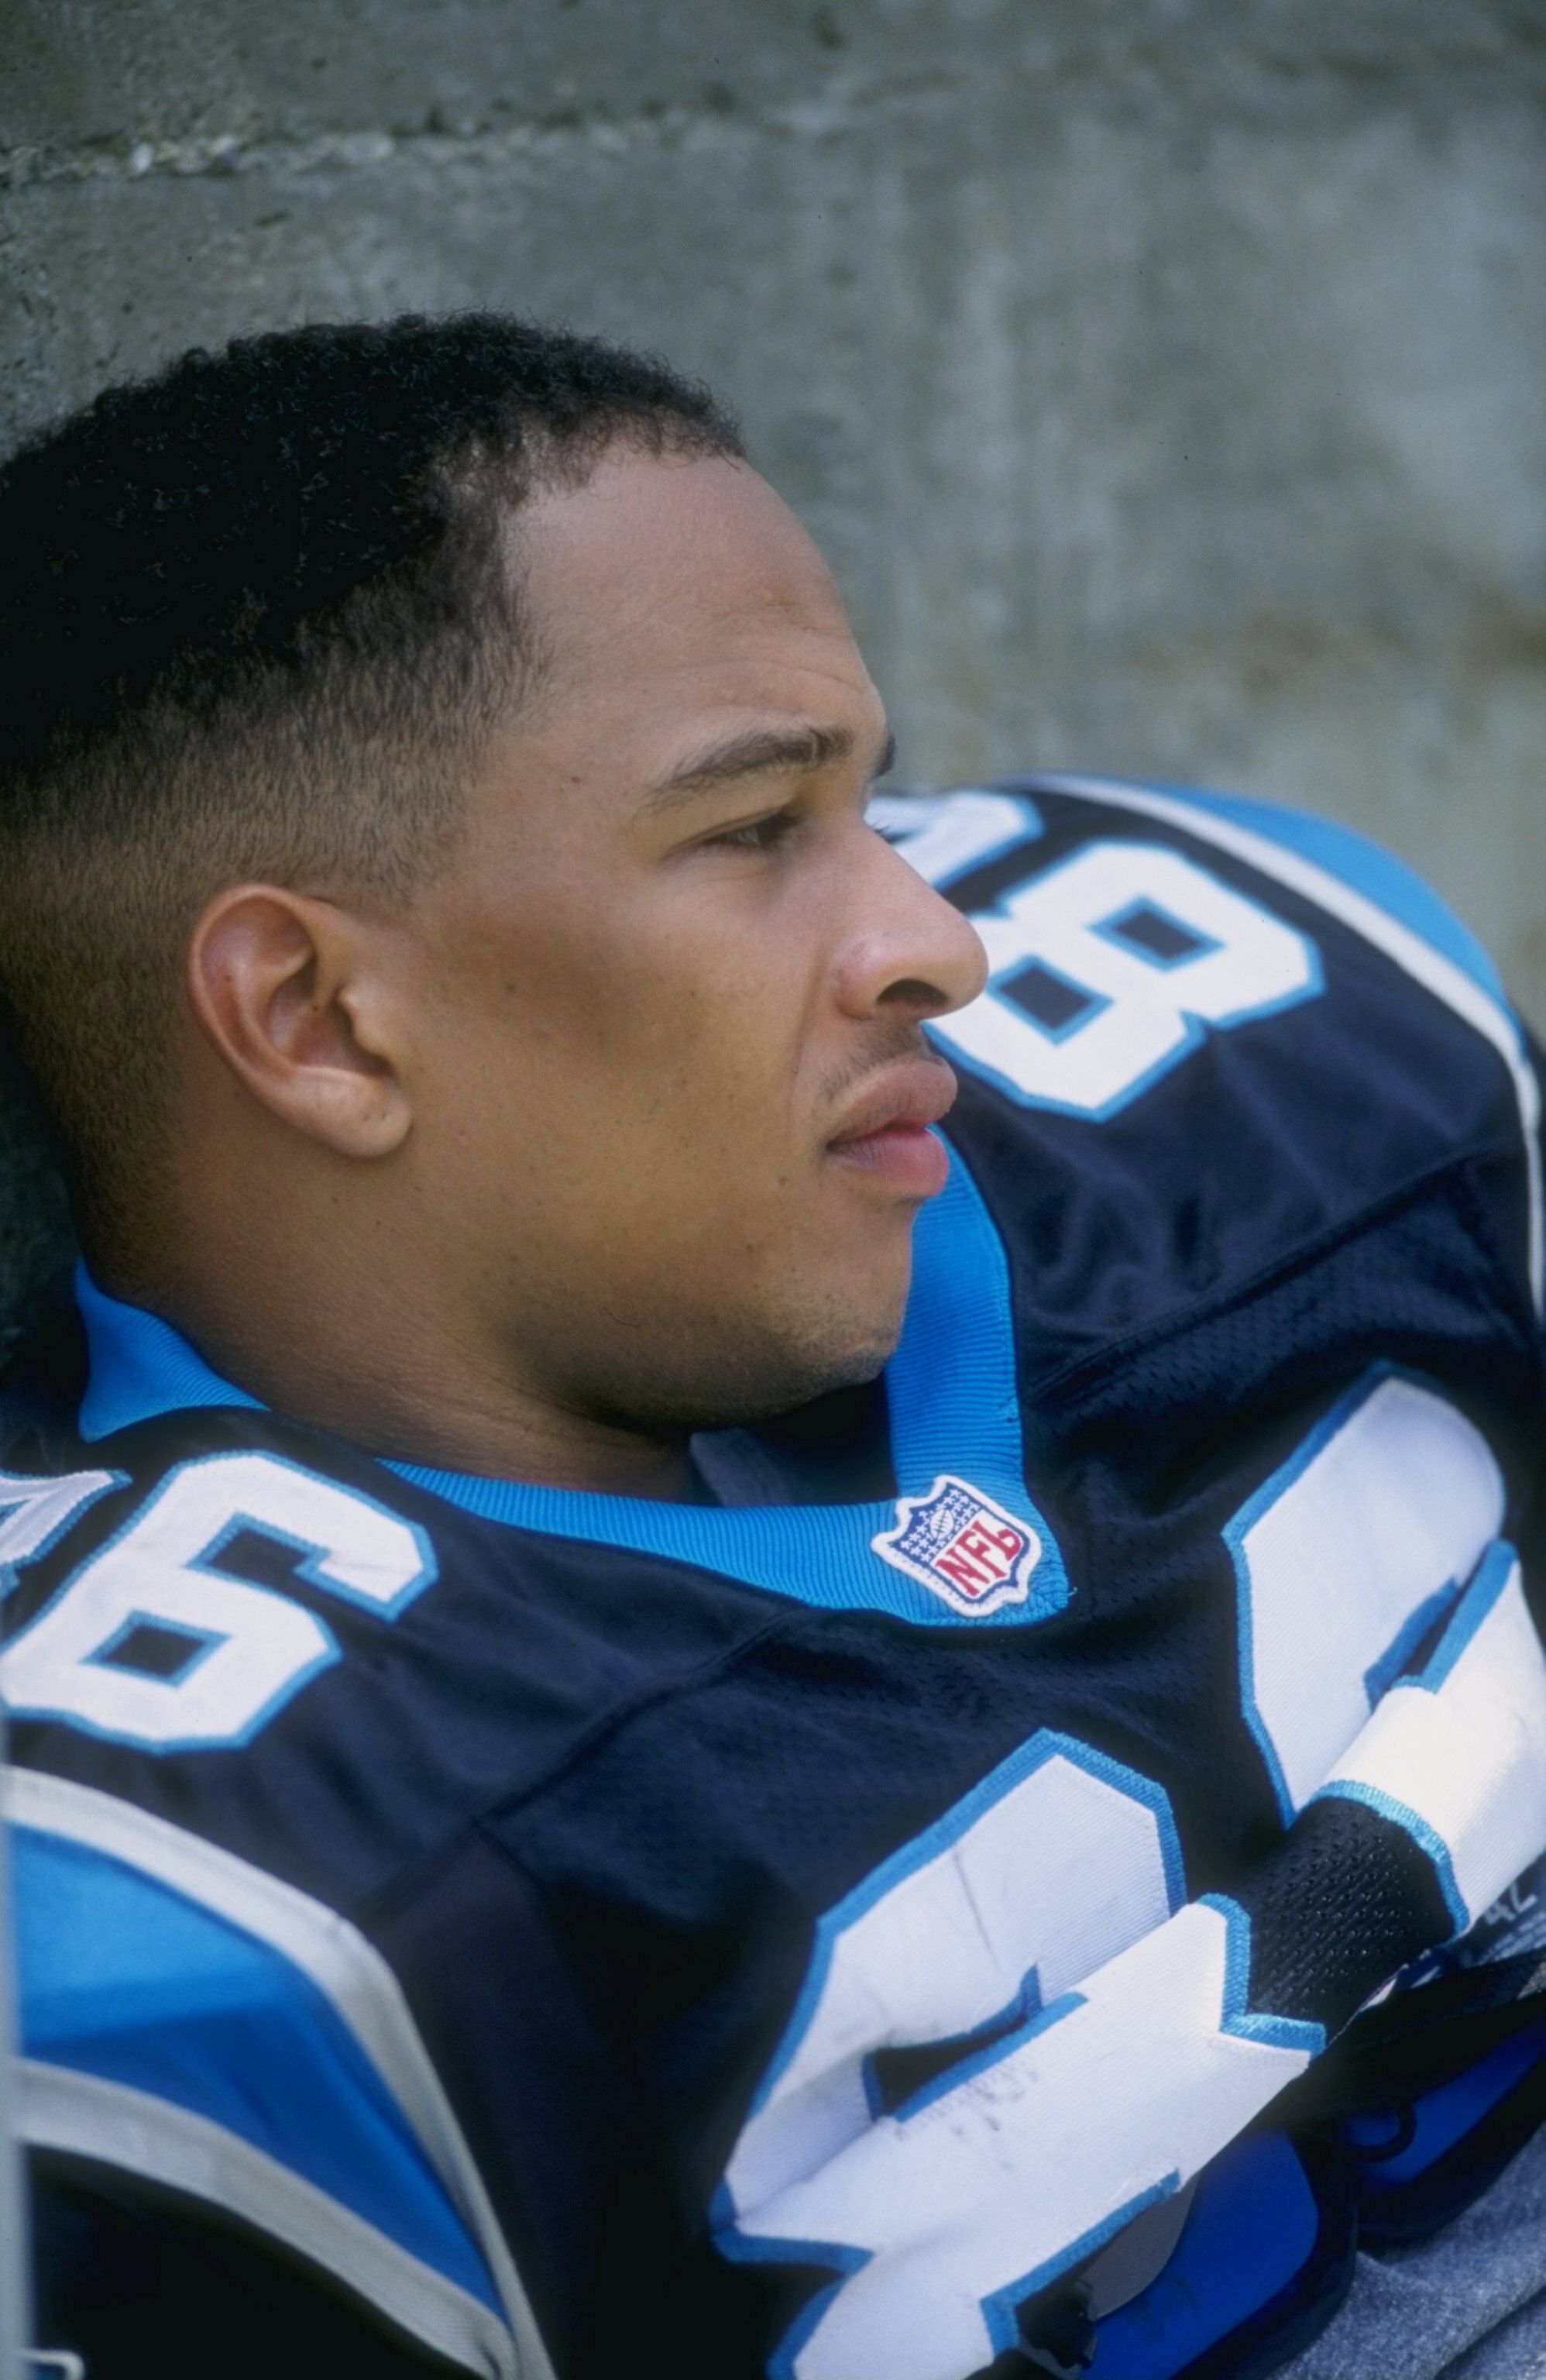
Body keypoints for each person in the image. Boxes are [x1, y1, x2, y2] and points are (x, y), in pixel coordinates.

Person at [1, 314, 1545, 2380]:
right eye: (751, 829)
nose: (938, 940)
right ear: (318, 1020)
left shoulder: (1286, 1060)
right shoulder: (189, 1891)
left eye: (868, 799)